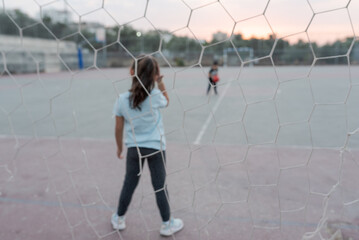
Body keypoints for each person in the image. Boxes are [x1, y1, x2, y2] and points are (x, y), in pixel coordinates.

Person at [111, 56, 184, 237]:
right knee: (160, 186)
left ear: (131, 72)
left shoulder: (121, 100)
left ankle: (119, 218)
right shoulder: (156, 96)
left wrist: (120, 148)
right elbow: (167, 101)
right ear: (154, 75)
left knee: (130, 183)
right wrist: (161, 84)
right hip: (156, 148)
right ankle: (167, 224)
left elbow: (118, 128)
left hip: (134, 149)